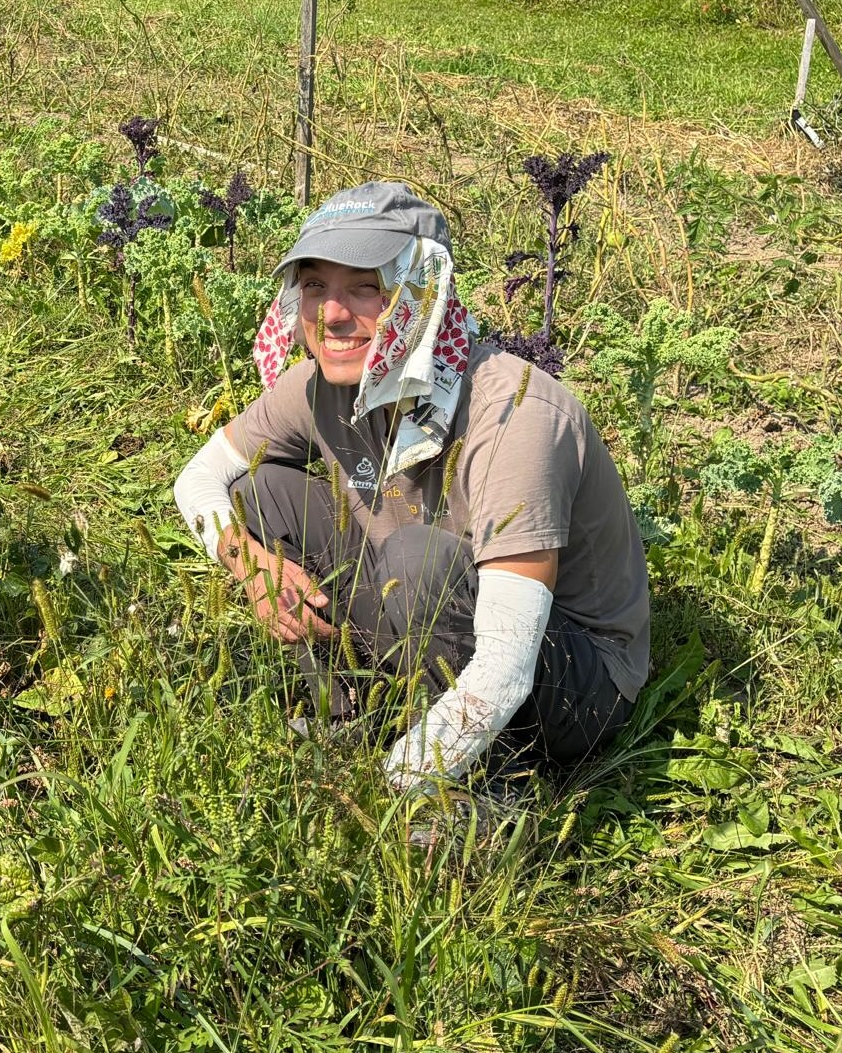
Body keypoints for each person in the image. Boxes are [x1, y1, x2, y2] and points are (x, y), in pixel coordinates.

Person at [173, 181, 648, 806]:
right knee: (263, 491)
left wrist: (399, 778)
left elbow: (507, 666)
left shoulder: (512, 411)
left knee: (417, 561)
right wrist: (253, 567)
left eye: (366, 287)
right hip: (428, 613)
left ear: (422, 292)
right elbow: (199, 480)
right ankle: (352, 713)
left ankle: (489, 792)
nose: (333, 315)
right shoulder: (323, 386)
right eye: (315, 285)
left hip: (570, 675)